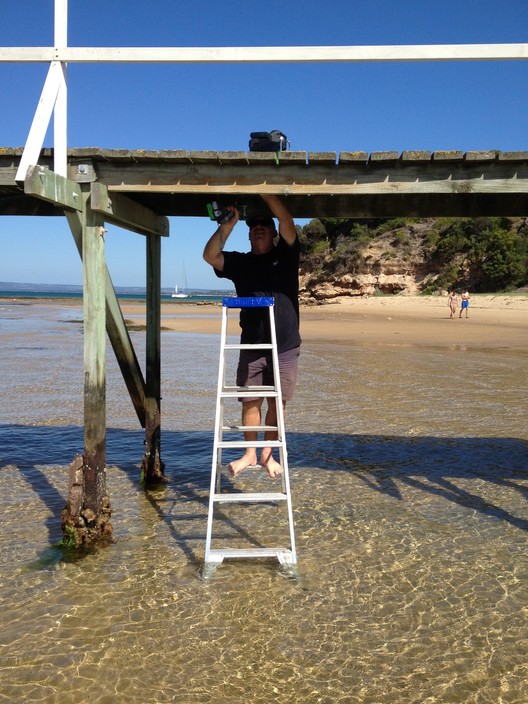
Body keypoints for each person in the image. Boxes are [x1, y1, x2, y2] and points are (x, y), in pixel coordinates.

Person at [203, 194, 301, 479]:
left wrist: (266, 191)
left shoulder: (285, 256)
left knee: (277, 403)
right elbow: (210, 256)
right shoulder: (241, 264)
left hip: (285, 346)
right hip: (252, 346)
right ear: (248, 234)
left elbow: (287, 220)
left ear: (273, 234)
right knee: (250, 401)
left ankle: (268, 456)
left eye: (263, 224)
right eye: (253, 225)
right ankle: (249, 454)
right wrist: (226, 227)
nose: (257, 227)